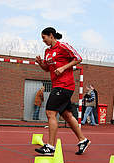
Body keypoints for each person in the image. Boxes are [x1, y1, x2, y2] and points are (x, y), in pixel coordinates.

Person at [35, 27, 90, 155]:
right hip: (57, 85)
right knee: (67, 115)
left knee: (50, 112)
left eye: (44, 38)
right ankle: (83, 140)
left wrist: (63, 68)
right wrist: (39, 63)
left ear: (51, 35)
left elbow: (78, 58)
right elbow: (46, 69)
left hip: (65, 85)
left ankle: (50, 147)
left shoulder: (63, 46)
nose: (43, 41)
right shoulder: (47, 51)